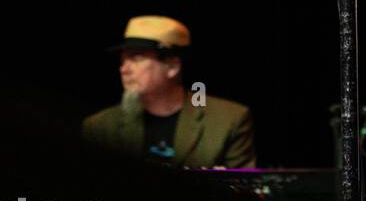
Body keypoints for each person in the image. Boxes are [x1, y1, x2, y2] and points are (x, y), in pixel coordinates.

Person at [81, 15, 256, 169]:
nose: (124, 69)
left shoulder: (228, 121)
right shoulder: (99, 128)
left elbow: (245, 197)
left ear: (172, 66)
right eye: (122, 60)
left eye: (136, 58)